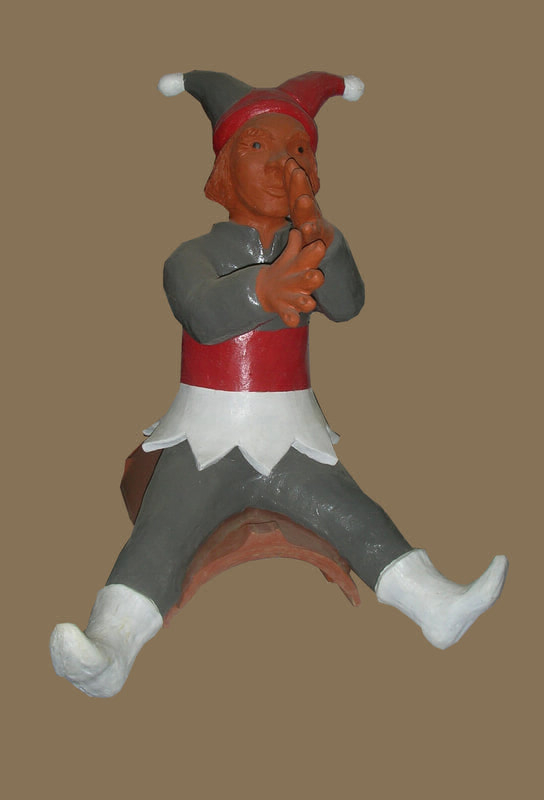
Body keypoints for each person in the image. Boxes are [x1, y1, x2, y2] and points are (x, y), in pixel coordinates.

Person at [50, 71, 508, 698]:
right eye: (257, 146)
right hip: (204, 437)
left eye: (297, 149)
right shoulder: (191, 257)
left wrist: (325, 241)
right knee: (161, 533)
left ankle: (434, 605)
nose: (279, 164)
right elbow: (203, 313)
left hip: (292, 435)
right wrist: (263, 290)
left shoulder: (313, 244)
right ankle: (111, 648)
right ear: (223, 169)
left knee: (355, 513)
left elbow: (347, 303)